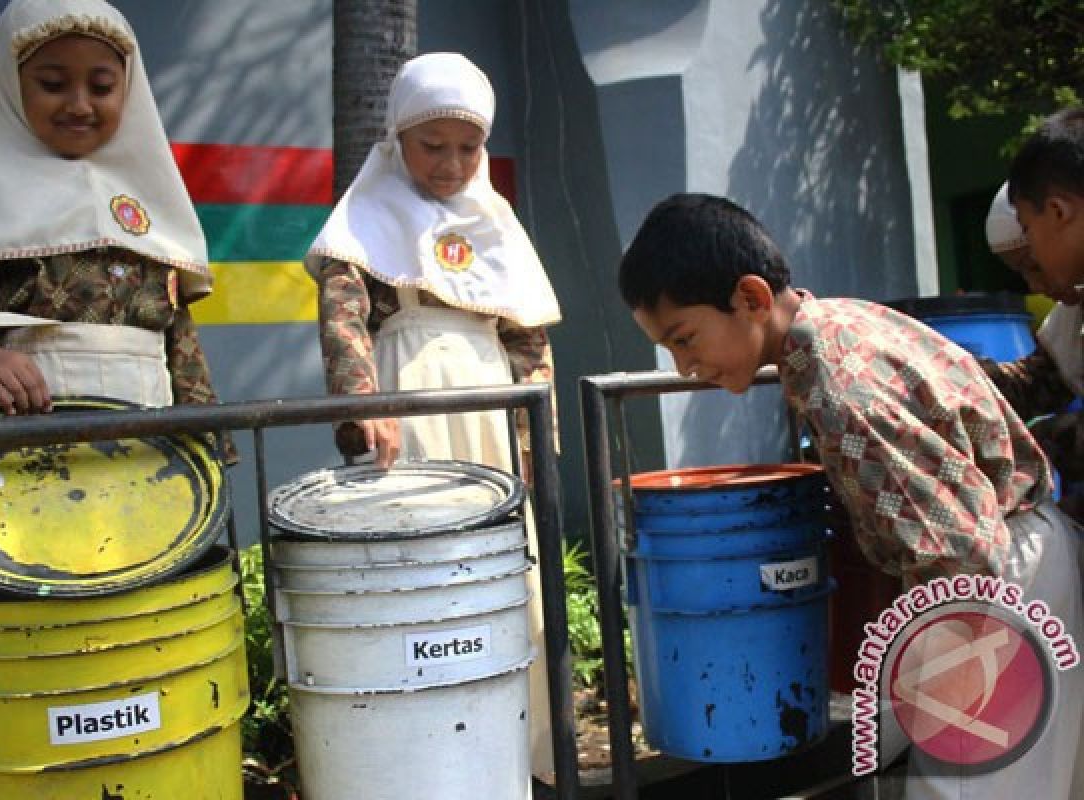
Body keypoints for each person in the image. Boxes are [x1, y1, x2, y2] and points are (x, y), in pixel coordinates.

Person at [618, 193, 1082, 799]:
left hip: (992, 590)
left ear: (752, 298)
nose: (683, 366)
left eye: (685, 338)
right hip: (1027, 560)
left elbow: (961, 551)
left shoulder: (839, 392)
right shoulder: (846, 322)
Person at [304, 52, 562, 787]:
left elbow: (527, 334)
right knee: (423, 574)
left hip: (490, 405)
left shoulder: (495, 220)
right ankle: (424, 762)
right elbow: (344, 318)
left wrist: (536, 437)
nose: (451, 163)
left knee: (505, 569)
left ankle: (519, 754)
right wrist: (362, 400)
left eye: (468, 146)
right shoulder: (366, 217)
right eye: (432, 145)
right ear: (396, 139)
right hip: (408, 398)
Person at [0, 0, 222, 423]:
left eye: (103, 87)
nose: (79, 105)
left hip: (152, 444)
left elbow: (175, 332)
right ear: (9, 86)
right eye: (53, 84)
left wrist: (204, 432)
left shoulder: (148, 203)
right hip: (30, 436)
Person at [980, 182, 1083, 522]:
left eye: (1034, 265)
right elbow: (1042, 382)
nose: (1035, 286)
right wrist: (962, 380)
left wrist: (1041, 440)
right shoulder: (1072, 316)